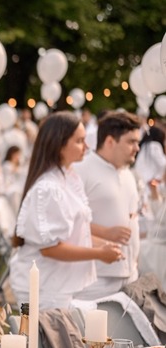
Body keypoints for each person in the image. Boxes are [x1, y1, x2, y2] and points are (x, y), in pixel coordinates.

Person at [9, 112, 122, 309]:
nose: (86, 147)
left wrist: (106, 245)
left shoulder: (68, 177)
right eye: (79, 141)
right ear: (59, 145)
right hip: (44, 287)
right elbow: (50, 248)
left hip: (59, 283)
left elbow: (75, 234)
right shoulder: (48, 188)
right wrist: (98, 253)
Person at [73, 111, 142, 300]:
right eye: (131, 142)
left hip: (131, 275)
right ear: (110, 141)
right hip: (96, 278)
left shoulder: (128, 173)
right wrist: (105, 233)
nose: (137, 147)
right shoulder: (81, 170)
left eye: (137, 141)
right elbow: (67, 223)